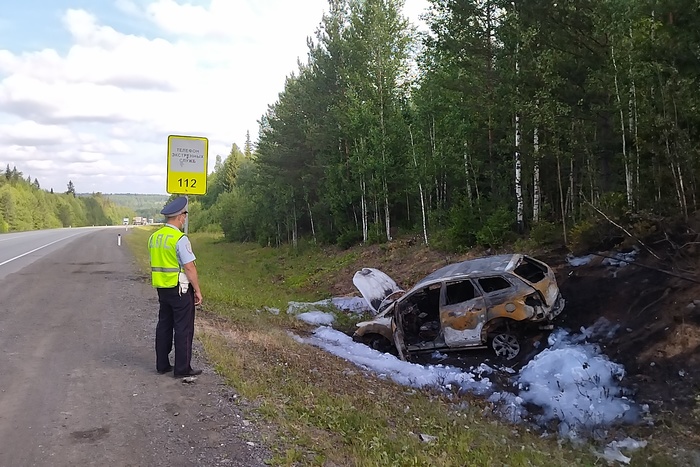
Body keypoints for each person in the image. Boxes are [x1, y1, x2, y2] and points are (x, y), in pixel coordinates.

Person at [148, 196, 203, 377]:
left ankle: (162, 364)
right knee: (183, 328)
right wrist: (197, 290)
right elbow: (189, 267)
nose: (185, 219)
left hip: (162, 288)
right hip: (180, 289)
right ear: (180, 216)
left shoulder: (154, 238)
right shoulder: (179, 239)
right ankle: (182, 369)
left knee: (164, 325)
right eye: (184, 216)